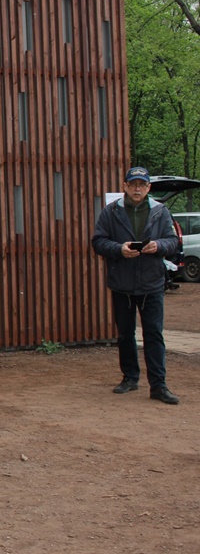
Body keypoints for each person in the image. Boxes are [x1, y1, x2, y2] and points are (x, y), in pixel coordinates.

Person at [91, 166, 181, 404]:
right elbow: (98, 241)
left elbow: (173, 241)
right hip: (122, 283)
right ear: (125, 186)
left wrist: (159, 246)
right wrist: (119, 249)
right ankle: (130, 378)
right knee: (125, 335)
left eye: (142, 185)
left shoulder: (160, 211)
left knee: (154, 335)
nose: (137, 189)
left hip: (152, 284)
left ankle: (158, 386)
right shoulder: (111, 212)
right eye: (133, 184)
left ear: (148, 187)